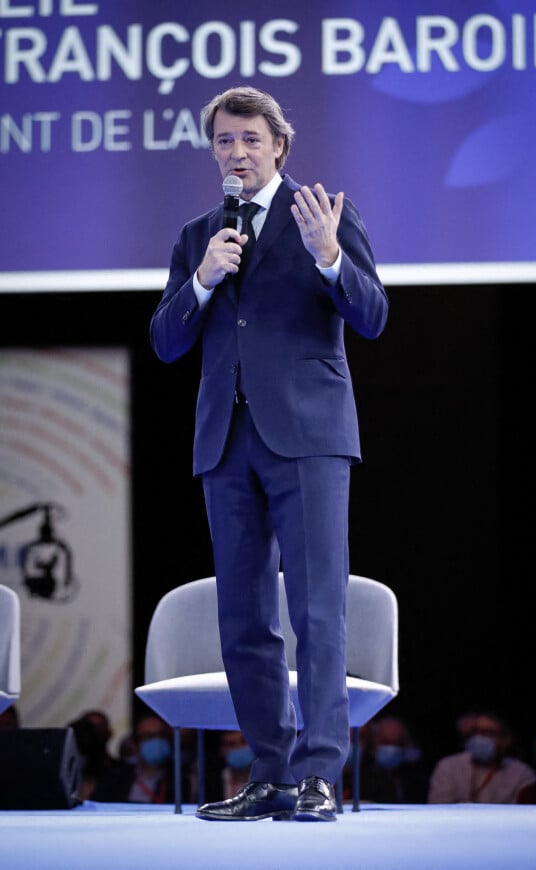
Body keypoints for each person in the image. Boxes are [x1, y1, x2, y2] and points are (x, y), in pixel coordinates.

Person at [150, 86, 388, 822]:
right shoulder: (199, 236)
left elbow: (372, 316)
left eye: (250, 140)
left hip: (309, 439)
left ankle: (319, 773)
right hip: (225, 441)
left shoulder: (325, 217)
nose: (237, 153)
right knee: (244, 618)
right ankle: (271, 773)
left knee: (319, 610)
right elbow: (166, 340)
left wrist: (327, 260)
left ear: (278, 145)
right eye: (224, 141)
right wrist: (202, 279)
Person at [427, 711, 536, 804]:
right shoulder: (448, 766)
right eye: (475, 732)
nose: (479, 737)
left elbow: (522, 816)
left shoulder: (522, 774)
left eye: (487, 733)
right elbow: (438, 809)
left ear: (505, 740)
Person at [359, 715, 430, 804]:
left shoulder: (416, 777)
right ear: (374, 742)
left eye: (397, 743)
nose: (391, 748)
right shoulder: (360, 776)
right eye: (386, 742)